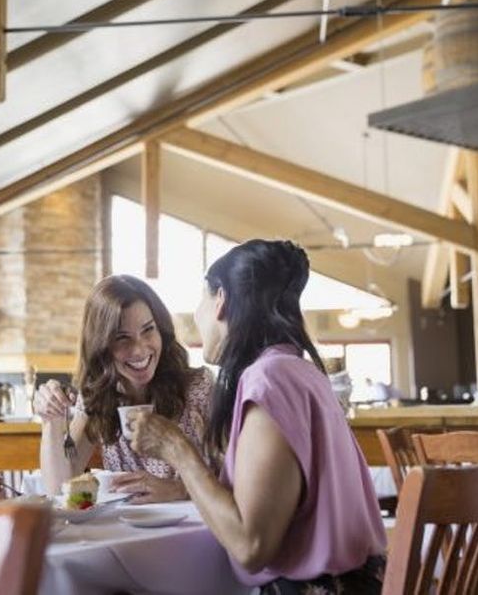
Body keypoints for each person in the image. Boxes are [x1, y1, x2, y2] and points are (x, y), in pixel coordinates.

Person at [130, 240, 387, 593]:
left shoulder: (270, 380)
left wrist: (176, 449)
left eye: (200, 300)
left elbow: (249, 546)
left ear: (220, 300)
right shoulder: (298, 371)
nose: (197, 318)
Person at [33, 275, 212, 503]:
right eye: (122, 338)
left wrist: (180, 490)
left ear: (161, 330)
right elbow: (59, 488)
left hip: (196, 523)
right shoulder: (98, 396)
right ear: (101, 345)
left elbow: (239, 485)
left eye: (148, 330)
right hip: (129, 524)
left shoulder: (198, 388)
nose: (139, 350)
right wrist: (51, 420)